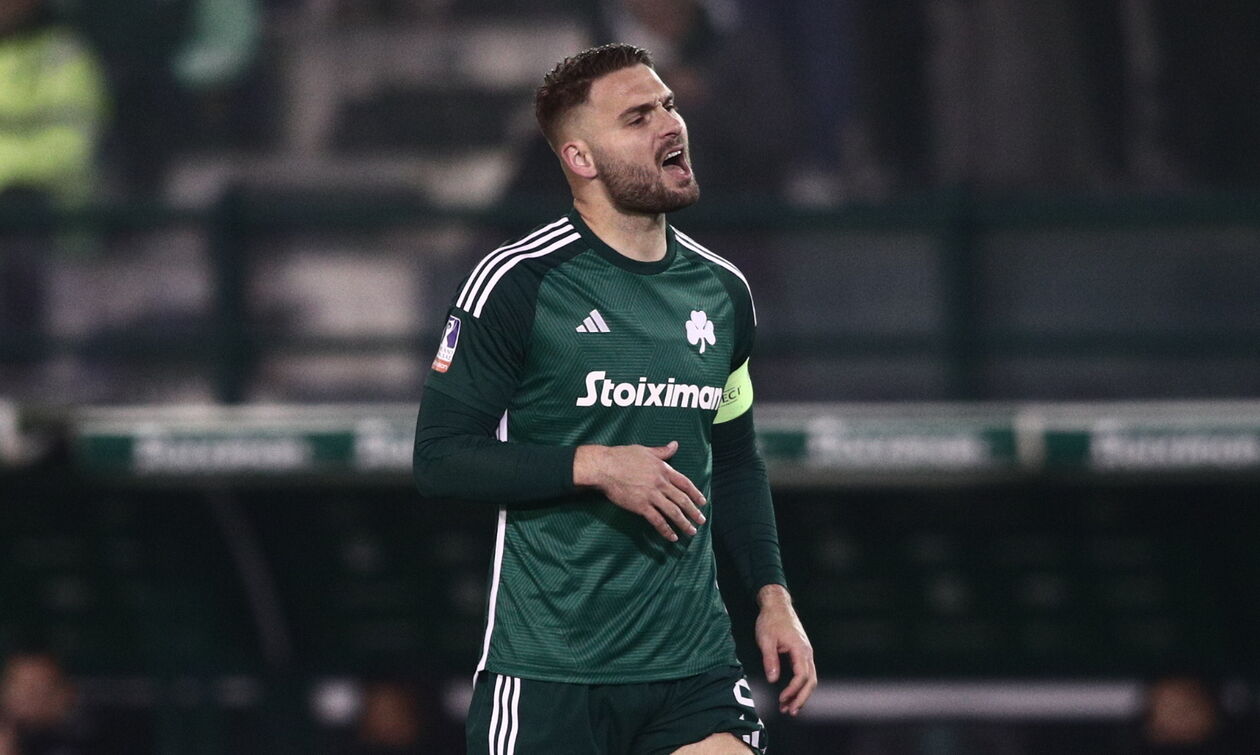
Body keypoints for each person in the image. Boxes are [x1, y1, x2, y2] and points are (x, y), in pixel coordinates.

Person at [412, 43, 815, 754]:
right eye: (637, 117)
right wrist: (596, 466)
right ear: (581, 158)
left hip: (693, 669)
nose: (670, 123)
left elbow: (734, 459)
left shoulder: (723, 292)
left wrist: (772, 596)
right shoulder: (517, 282)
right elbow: (441, 458)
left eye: (668, 105)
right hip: (551, 677)